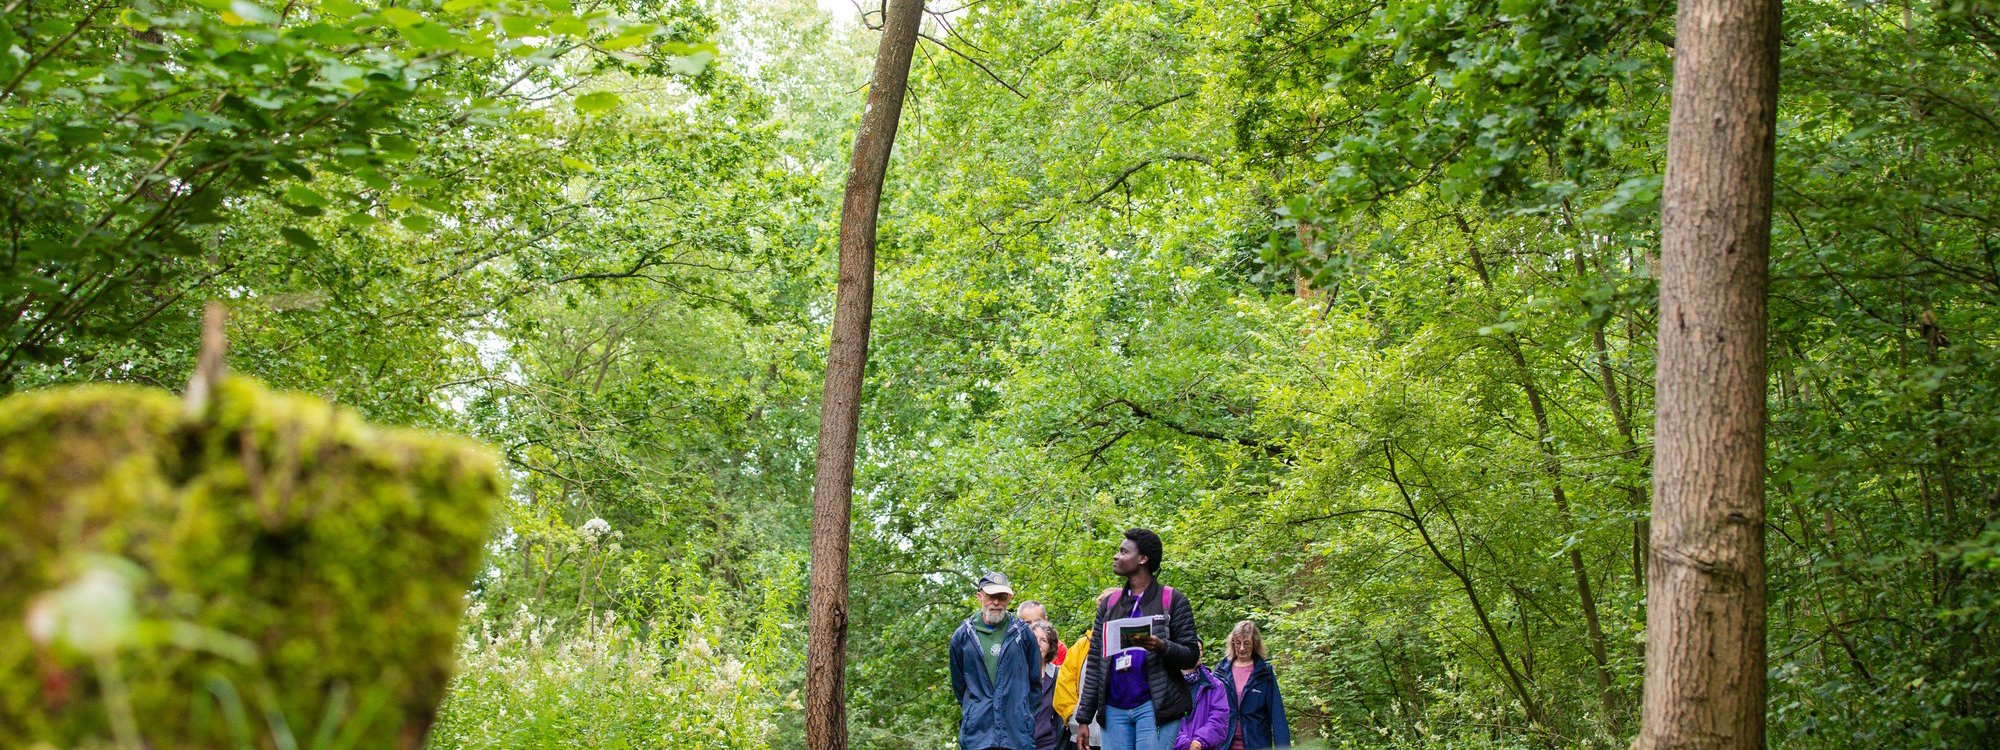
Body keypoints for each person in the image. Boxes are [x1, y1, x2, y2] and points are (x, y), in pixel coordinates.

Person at [1073, 528, 1201, 750]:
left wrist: (1162, 647)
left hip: (1154, 707)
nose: (1116, 556)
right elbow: (1095, 663)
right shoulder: (1110, 605)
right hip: (1114, 710)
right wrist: (1083, 717)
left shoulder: (1173, 600)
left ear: (1142, 559)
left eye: (1123, 552)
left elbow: (1190, 656)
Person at [950, 571, 1043, 750]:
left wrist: (1022, 714)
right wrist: (975, 709)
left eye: (1001, 597)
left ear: (1009, 598)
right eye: (991, 596)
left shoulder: (1023, 634)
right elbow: (959, 685)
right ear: (979, 597)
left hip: (1017, 734)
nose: (996, 603)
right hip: (977, 733)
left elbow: (1035, 683)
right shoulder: (962, 636)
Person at [1213, 621, 1290, 749]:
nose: (1242, 648)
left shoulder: (1264, 672)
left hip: (1257, 744)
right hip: (1224, 744)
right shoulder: (1221, 670)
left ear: (1255, 644)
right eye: (1238, 643)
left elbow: (1277, 715)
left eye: (1247, 643)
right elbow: (1209, 711)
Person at [1171, 665, 1231, 750]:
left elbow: (1219, 720)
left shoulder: (1216, 686)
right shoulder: (1165, 684)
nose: (1199, 651)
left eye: (1200, 650)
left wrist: (1199, 742)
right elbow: (1162, 721)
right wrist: (1185, 744)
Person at [1032, 621, 1069, 750]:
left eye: (1043, 640)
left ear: (1050, 647)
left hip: (1050, 744)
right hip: (1020, 743)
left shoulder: (1057, 675)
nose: (1037, 644)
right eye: (1034, 639)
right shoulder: (1015, 675)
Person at [1019, 600, 1068, 665]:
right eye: (1028, 623)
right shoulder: (1016, 647)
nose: (1033, 626)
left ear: (1046, 620)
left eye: (1038, 621)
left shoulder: (1059, 649)